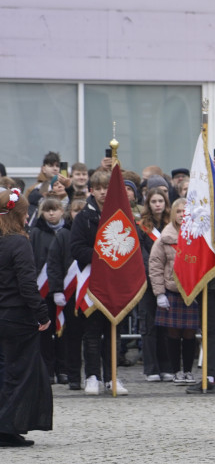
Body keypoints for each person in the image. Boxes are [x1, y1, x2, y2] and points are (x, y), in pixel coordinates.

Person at [0, 188, 53, 447]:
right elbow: (27, 284)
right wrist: (42, 313)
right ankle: (6, 428)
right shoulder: (19, 242)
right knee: (18, 374)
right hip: (16, 318)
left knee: (3, 371)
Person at [69, 169, 127, 395]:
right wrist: (102, 255)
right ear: (91, 191)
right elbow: (76, 248)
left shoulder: (122, 214)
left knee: (114, 330)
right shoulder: (84, 217)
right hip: (92, 280)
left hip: (116, 281)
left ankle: (112, 377)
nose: (103, 193)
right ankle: (92, 376)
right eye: (99, 188)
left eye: (107, 188)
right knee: (92, 332)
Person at [150, 199, 200, 385]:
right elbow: (155, 266)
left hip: (191, 291)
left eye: (185, 211)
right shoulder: (165, 238)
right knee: (173, 334)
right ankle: (175, 371)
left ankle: (188, 371)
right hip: (171, 290)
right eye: (178, 211)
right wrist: (159, 293)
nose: (182, 215)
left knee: (189, 333)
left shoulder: (197, 235)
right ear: (173, 214)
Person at [46, 198, 86, 389]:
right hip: (69, 295)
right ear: (70, 213)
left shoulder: (94, 233)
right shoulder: (63, 235)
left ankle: (96, 375)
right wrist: (56, 290)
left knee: (92, 337)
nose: (78, 214)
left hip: (89, 293)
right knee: (72, 337)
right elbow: (53, 264)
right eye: (75, 210)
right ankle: (73, 377)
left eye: (82, 210)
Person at [138, 187, 172, 382]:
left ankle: (166, 366)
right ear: (148, 204)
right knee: (149, 324)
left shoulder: (171, 225)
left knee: (166, 326)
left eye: (161, 201)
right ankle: (151, 368)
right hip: (148, 281)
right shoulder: (142, 227)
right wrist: (152, 277)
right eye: (154, 201)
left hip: (168, 280)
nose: (158, 204)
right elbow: (143, 256)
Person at [29, 198, 65, 381]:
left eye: (55, 209)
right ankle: (47, 370)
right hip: (42, 288)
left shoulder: (66, 232)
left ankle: (63, 369)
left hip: (63, 288)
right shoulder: (35, 232)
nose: (51, 213)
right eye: (47, 210)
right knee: (45, 331)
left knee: (63, 330)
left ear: (62, 211)